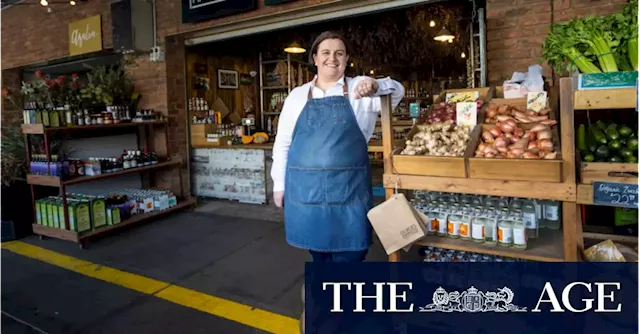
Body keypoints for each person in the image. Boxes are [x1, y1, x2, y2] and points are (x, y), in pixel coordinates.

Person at [270, 31, 405, 264]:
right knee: (317, 253)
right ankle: (324, 295)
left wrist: (376, 84)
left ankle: (340, 297)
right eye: (325, 52)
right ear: (314, 58)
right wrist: (279, 185)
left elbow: (397, 92)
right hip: (307, 192)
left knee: (351, 255)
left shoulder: (359, 90)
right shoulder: (297, 96)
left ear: (346, 59)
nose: (332, 58)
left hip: (348, 193)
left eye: (339, 53)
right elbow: (283, 143)